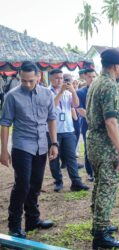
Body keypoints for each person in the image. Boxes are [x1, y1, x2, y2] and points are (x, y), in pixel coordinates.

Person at [0, 61, 58, 238]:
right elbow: (5, 124)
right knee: (22, 184)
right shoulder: (12, 96)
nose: (26, 84)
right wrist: (3, 150)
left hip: (41, 145)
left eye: (30, 80)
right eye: (23, 80)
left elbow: (51, 118)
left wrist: (54, 143)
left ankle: (33, 220)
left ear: (39, 76)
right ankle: (14, 226)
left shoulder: (47, 94)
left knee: (36, 184)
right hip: (22, 145)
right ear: (19, 77)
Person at [86, 48, 119, 249]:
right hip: (104, 145)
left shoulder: (95, 82)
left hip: (93, 141)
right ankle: (100, 234)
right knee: (106, 187)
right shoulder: (109, 86)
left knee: (100, 184)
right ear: (114, 66)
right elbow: (111, 121)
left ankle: (99, 225)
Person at [47, 69, 89, 192]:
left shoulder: (68, 91)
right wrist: (60, 92)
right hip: (53, 131)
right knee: (54, 158)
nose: (60, 80)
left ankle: (76, 182)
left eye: (61, 78)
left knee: (71, 157)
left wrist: (73, 91)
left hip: (68, 129)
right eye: (56, 78)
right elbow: (51, 107)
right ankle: (58, 181)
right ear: (50, 78)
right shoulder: (47, 92)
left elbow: (76, 105)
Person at [77, 68, 97, 182]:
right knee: (88, 149)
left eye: (94, 76)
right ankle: (90, 172)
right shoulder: (81, 92)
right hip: (86, 125)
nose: (92, 79)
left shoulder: (100, 91)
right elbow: (80, 109)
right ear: (85, 77)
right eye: (90, 77)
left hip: (99, 126)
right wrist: (93, 119)